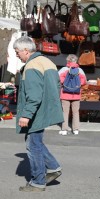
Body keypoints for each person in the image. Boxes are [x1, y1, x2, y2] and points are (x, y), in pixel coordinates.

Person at [13, 36, 63, 192]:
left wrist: (26, 114)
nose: (16, 55)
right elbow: (57, 86)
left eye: (17, 52)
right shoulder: (47, 62)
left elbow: (34, 95)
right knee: (35, 142)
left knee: (33, 145)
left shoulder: (32, 66)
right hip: (44, 109)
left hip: (36, 112)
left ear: (26, 51)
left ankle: (38, 182)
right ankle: (53, 167)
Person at [58, 54, 86, 135]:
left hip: (65, 94)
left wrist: (65, 84)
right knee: (76, 112)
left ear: (68, 61)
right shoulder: (80, 70)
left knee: (65, 112)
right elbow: (84, 81)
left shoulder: (64, 69)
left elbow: (58, 78)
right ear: (76, 61)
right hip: (76, 94)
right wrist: (77, 85)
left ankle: (64, 130)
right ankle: (76, 129)